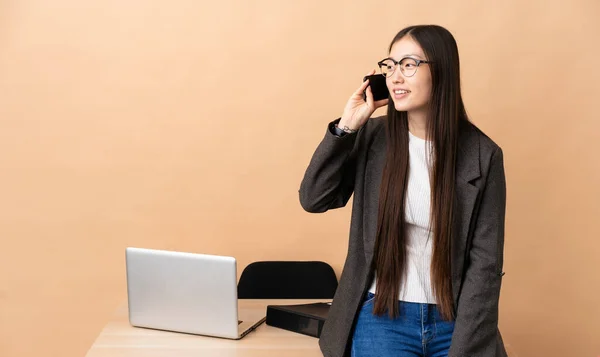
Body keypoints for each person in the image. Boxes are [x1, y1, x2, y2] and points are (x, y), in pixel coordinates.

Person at [299, 24, 508, 357]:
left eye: (409, 65)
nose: (395, 76)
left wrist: (467, 344)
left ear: (442, 71)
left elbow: (485, 262)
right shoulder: (374, 137)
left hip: (455, 320)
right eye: (390, 65)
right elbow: (315, 198)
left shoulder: (482, 155)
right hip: (382, 316)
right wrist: (348, 126)